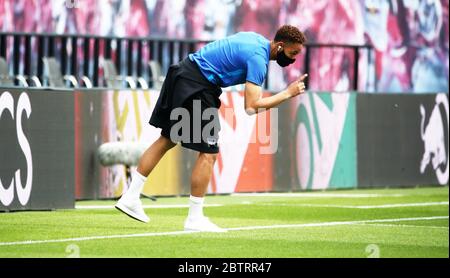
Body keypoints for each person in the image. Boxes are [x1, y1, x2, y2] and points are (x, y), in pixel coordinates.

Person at [115, 25, 307, 232]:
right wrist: (288, 93)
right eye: (292, 53)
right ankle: (194, 219)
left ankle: (131, 196)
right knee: (208, 153)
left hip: (183, 73)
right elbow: (251, 107)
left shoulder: (256, 39)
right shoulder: (258, 59)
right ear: (280, 46)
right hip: (197, 83)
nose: (293, 59)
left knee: (167, 139)